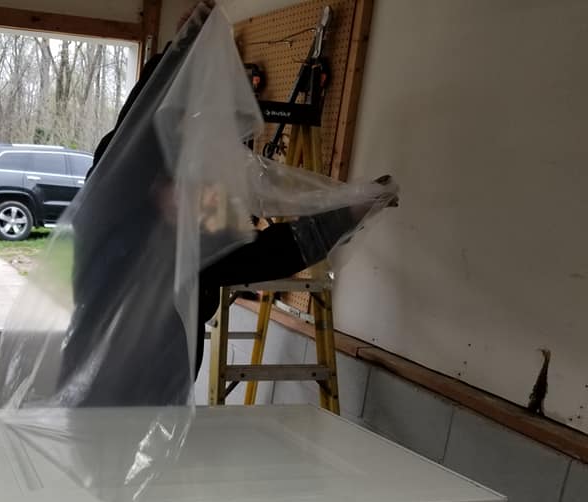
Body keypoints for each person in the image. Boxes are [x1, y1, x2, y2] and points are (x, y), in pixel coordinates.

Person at [57, 1, 397, 407]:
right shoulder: (111, 205)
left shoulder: (194, 241)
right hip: (96, 387)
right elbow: (138, 126)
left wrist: (354, 211)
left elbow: (272, 253)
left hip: (162, 392)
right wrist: (182, 49)